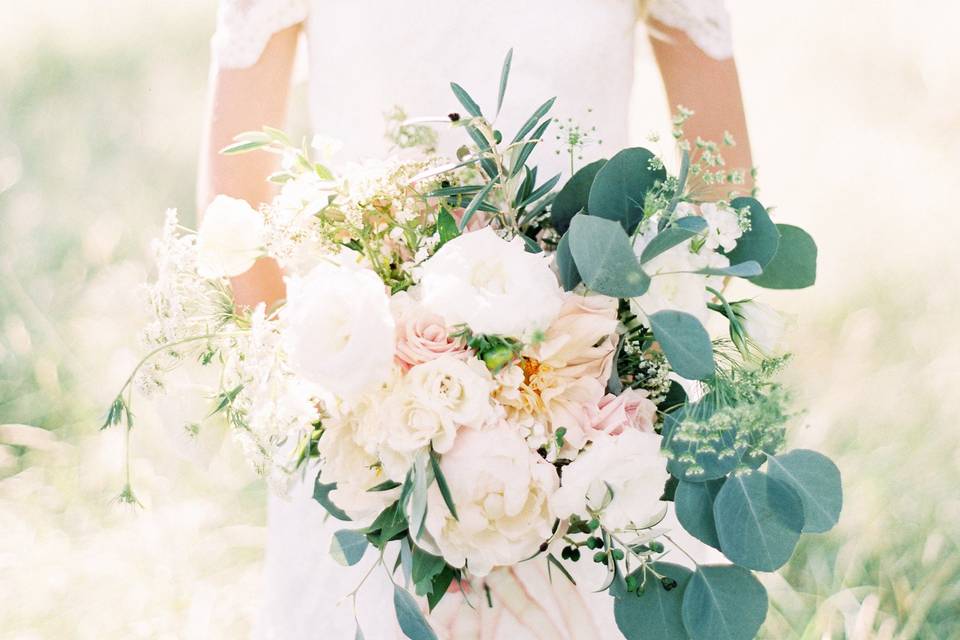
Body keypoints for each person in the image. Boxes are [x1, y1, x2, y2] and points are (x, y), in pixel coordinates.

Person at [198, 1, 752, 637]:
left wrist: (578, 411)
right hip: (361, 422)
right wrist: (355, 420)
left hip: (600, 420)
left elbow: (722, 190)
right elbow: (234, 207)